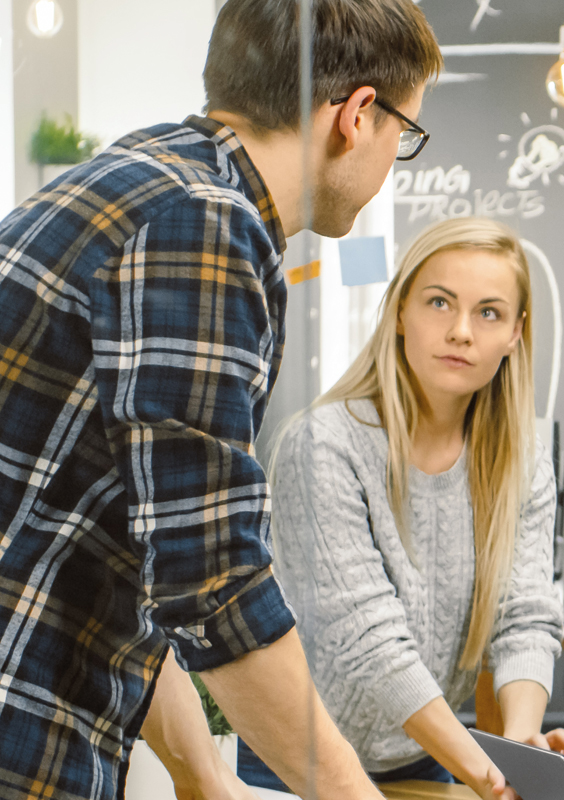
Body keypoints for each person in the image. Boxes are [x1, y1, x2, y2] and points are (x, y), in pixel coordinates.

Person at [0, 0, 440, 797]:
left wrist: (205, 774)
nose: (389, 165)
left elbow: (141, 552)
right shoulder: (203, 221)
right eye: (405, 136)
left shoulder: (152, 178)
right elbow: (215, 583)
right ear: (359, 115)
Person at [236, 218, 564, 798]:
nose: (462, 331)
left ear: (516, 334)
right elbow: (368, 641)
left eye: (489, 313)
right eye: (440, 302)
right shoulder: (324, 445)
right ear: (400, 312)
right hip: (291, 764)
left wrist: (522, 746)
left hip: (422, 757)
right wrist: (488, 774)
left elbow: (525, 611)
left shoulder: (521, 457)